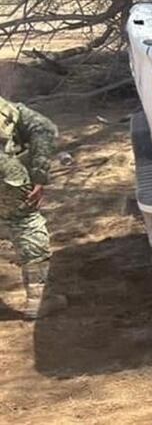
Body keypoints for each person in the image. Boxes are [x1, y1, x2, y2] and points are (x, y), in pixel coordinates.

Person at [0, 96, 64, 318]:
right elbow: (43, 128)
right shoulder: (10, 110)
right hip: (6, 174)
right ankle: (38, 300)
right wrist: (39, 174)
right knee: (26, 225)